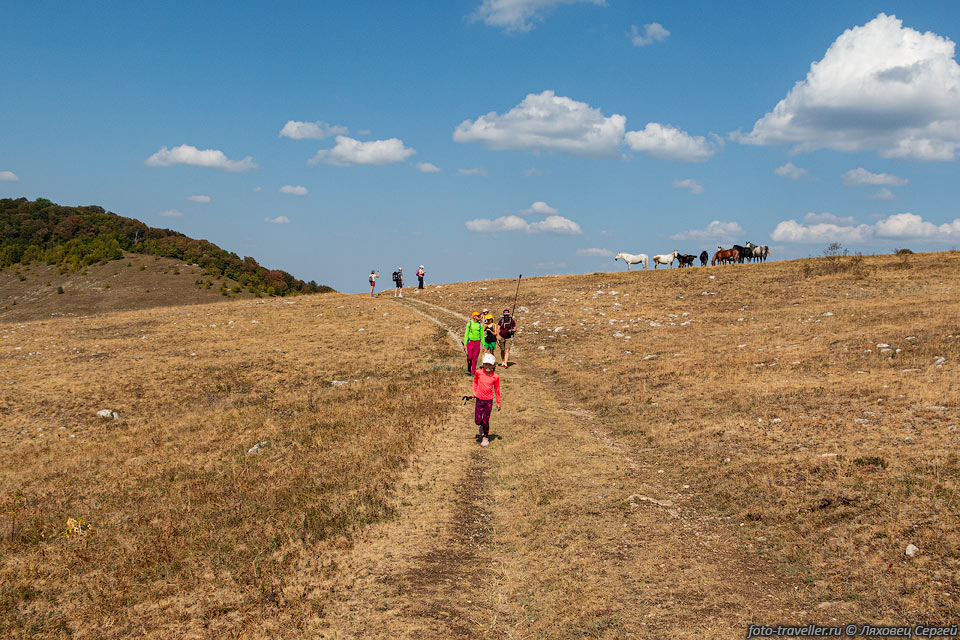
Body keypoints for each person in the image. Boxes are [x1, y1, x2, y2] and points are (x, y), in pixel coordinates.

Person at [472, 353, 501, 447]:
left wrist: (498, 402)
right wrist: (475, 392)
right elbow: (475, 381)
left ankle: (485, 437)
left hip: (488, 400)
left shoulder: (495, 377)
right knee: (477, 420)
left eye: (490, 364)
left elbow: (497, 390)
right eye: (486, 364)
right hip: (479, 399)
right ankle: (481, 426)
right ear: (483, 364)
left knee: (486, 420)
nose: (487, 366)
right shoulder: (478, 372)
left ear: (494, 365)